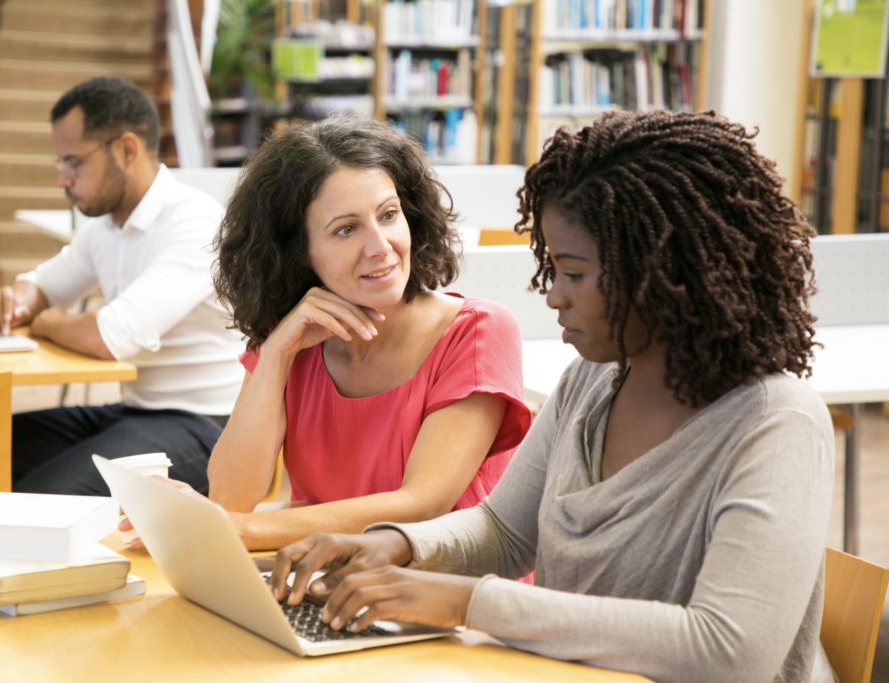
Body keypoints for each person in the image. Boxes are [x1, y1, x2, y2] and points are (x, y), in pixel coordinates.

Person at [268, 110, 837, 682]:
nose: (554, 297)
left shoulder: (776, 423)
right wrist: (394, 546)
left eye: (573, 274)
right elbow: (505, 531)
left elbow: (727, 652)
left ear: (661, 272)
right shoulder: (594, 380)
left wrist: (463, 602)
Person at [123, 114, 532, 551]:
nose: (380, 247)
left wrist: (228, 528)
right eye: (346, 229)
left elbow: (420, 506)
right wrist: (277, 352)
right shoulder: (290, 338)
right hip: (327, 583)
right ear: (298, 254)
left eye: (389, 215)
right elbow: (231, 495)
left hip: (446, 597)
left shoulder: (477, 333)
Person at [0, 76, 244, 496]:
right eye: (59, 164)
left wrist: (45, 322)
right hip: (136, 410)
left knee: (48, 494)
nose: (63, 179)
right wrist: (16, 302)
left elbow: (108, 337)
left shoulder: (194, 223)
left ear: (126, 149)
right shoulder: (108, 227)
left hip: (209, 426)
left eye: (73, 162)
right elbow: (42, 286)